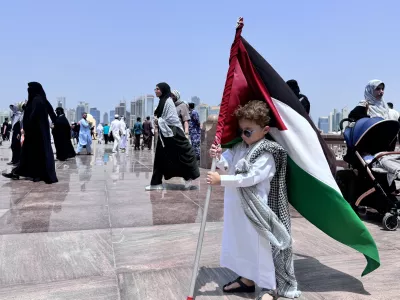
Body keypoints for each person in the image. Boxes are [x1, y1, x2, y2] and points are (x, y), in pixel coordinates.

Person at [207, 100, 299, 300]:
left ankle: (268, 287)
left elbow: (250, 178)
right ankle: (247, 279)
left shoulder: (267, 152)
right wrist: (218, 157)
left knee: (260, 247)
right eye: (242, 131)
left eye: (248, 131)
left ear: (264, 129)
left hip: (256, 208)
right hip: (237, 207)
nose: (243, 135)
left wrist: (220, 180)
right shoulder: (240, 147)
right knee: (243, 243)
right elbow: (227, 163)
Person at [145, 82, 200, 191]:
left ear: (163, 90)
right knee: (160, 157)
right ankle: (156, 183)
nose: (155, 91)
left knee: (184, 153)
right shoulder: (163, 101)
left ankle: (189, 176)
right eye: (155, 89)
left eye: (157, 89)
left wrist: (159, 120)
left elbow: (171, 118)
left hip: (173, 132)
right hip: (165, 132)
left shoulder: (168, 101)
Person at [2, 82, 58, 183]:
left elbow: (33, 117)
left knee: (36, 154)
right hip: (34, 133)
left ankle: (36, 174)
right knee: (27, 154)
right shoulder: (39, 100)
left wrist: (25, 129)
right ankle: (17, 173)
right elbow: (51, 113)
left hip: (37, 133)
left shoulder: (37, 100)